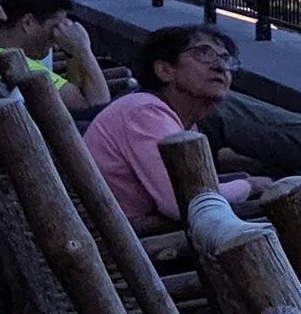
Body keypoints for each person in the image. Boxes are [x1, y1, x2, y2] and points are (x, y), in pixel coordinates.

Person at [80, 23, 258, 230]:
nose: (221, 67)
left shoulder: (169, 116)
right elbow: (184, 201)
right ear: (165, 70)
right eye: (204, 54)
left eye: (226, 59)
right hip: (130, 245)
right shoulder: (143, 113)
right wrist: (251, 186)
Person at [0, 0, 107, 115]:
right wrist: (83, 50)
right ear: (28, 23)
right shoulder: (24, 68)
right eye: (54, 28)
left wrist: (72, 52)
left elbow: (75, 90)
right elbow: (99, 109)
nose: (57, 41)